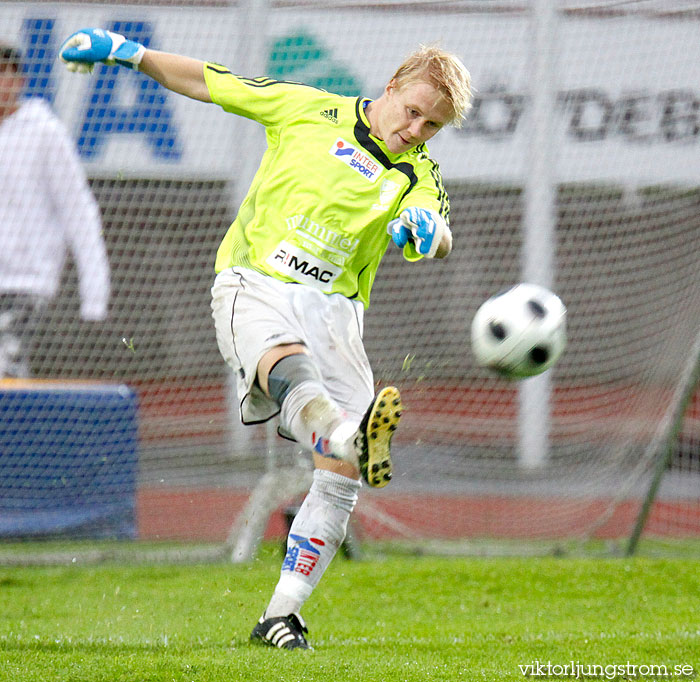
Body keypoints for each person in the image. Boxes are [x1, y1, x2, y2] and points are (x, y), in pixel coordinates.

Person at [59, 28, 471, 650]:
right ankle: (338, 431)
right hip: (254, 285)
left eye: (431, 126)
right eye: (413, 112)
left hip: (337, 318)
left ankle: (281, 615)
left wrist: (422, 229)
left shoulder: (420, 176)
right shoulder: (308, 109)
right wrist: (131, 54)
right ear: (390, 87)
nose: (416, 131)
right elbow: (209, 81)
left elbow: (441, 234)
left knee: (341, 476)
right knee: (296, 374)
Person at [0, 42, 110, 378]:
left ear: (20, 80)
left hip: (26, 284)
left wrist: (95, 293)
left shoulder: (45, 133)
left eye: (7, 73)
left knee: (6, 368)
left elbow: (78, 210)